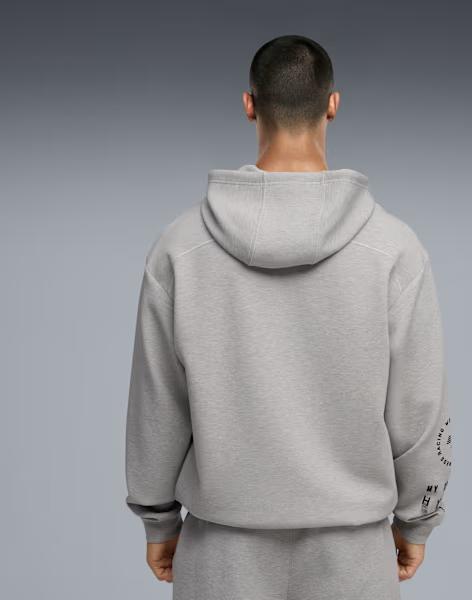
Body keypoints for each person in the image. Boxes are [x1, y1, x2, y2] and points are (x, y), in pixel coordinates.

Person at [125, 34, 453, 600]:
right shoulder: (394, 249)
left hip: (220, 552)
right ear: (333, 104)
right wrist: (416, 520)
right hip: (354, 556)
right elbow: (420, 407)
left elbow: (158, 402)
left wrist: (158, 519)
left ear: (249, 105)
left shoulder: (179, 249)